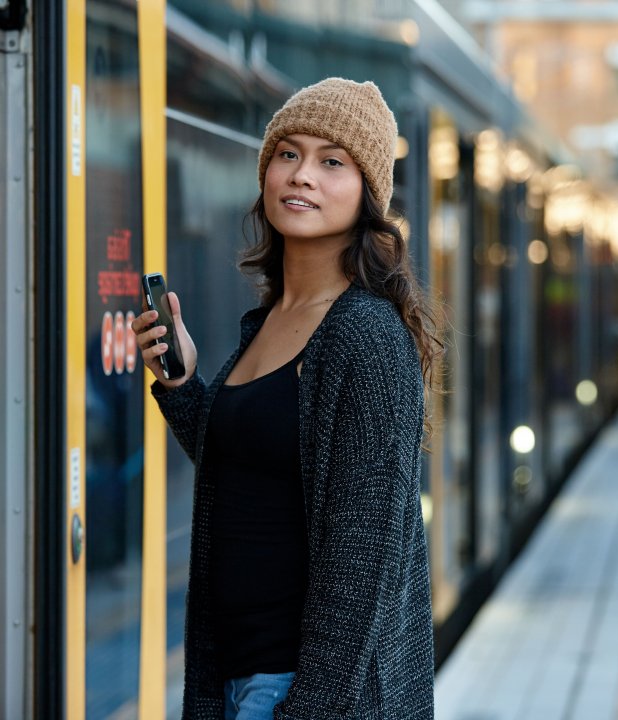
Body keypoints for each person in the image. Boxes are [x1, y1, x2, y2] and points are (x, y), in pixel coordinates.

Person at [132, 77, 439, 720]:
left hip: (301, 692)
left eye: (333, 162)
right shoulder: (269, 320)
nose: (302, 175)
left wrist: (309, 707)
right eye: (288, 154)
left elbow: (363, 565)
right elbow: (248, 472)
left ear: (367, 195)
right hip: (239, 678)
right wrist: (183, 384)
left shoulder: (365, 336)